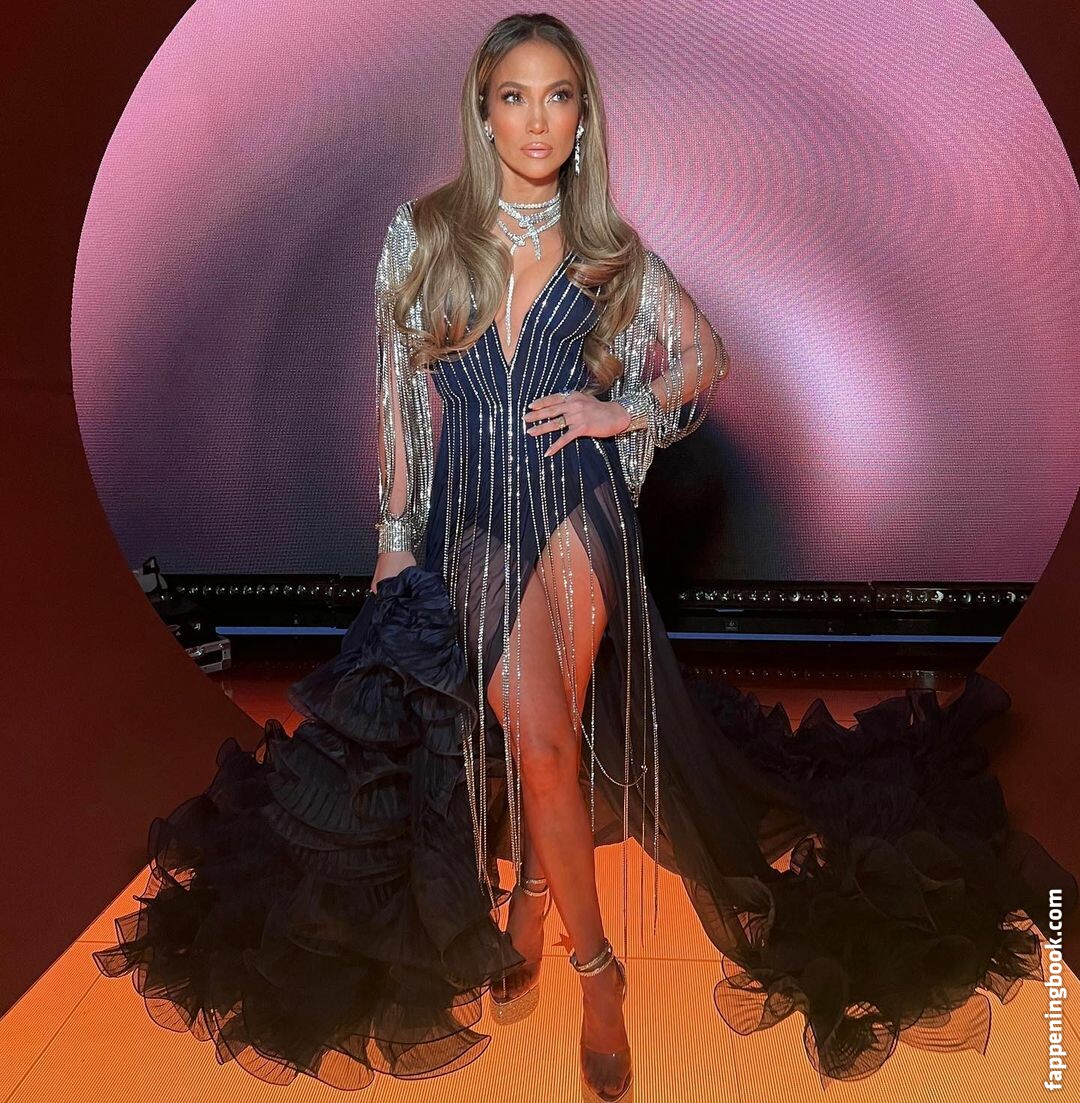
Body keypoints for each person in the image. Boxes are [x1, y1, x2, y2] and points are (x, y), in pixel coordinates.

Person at [92, 13, 1079, 1102]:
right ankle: (595, 966)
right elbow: (399, 403)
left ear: (582, 115)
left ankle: (543, 910)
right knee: (546, 738)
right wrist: (391, 543)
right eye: (514, 96)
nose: (537, 119)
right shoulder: (422, 234)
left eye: (558, 96)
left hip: (580, 510)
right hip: (471, 518)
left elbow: (703, 356)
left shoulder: (610, 251)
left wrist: (625, 410)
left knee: (548, 728)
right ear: (482, 112)